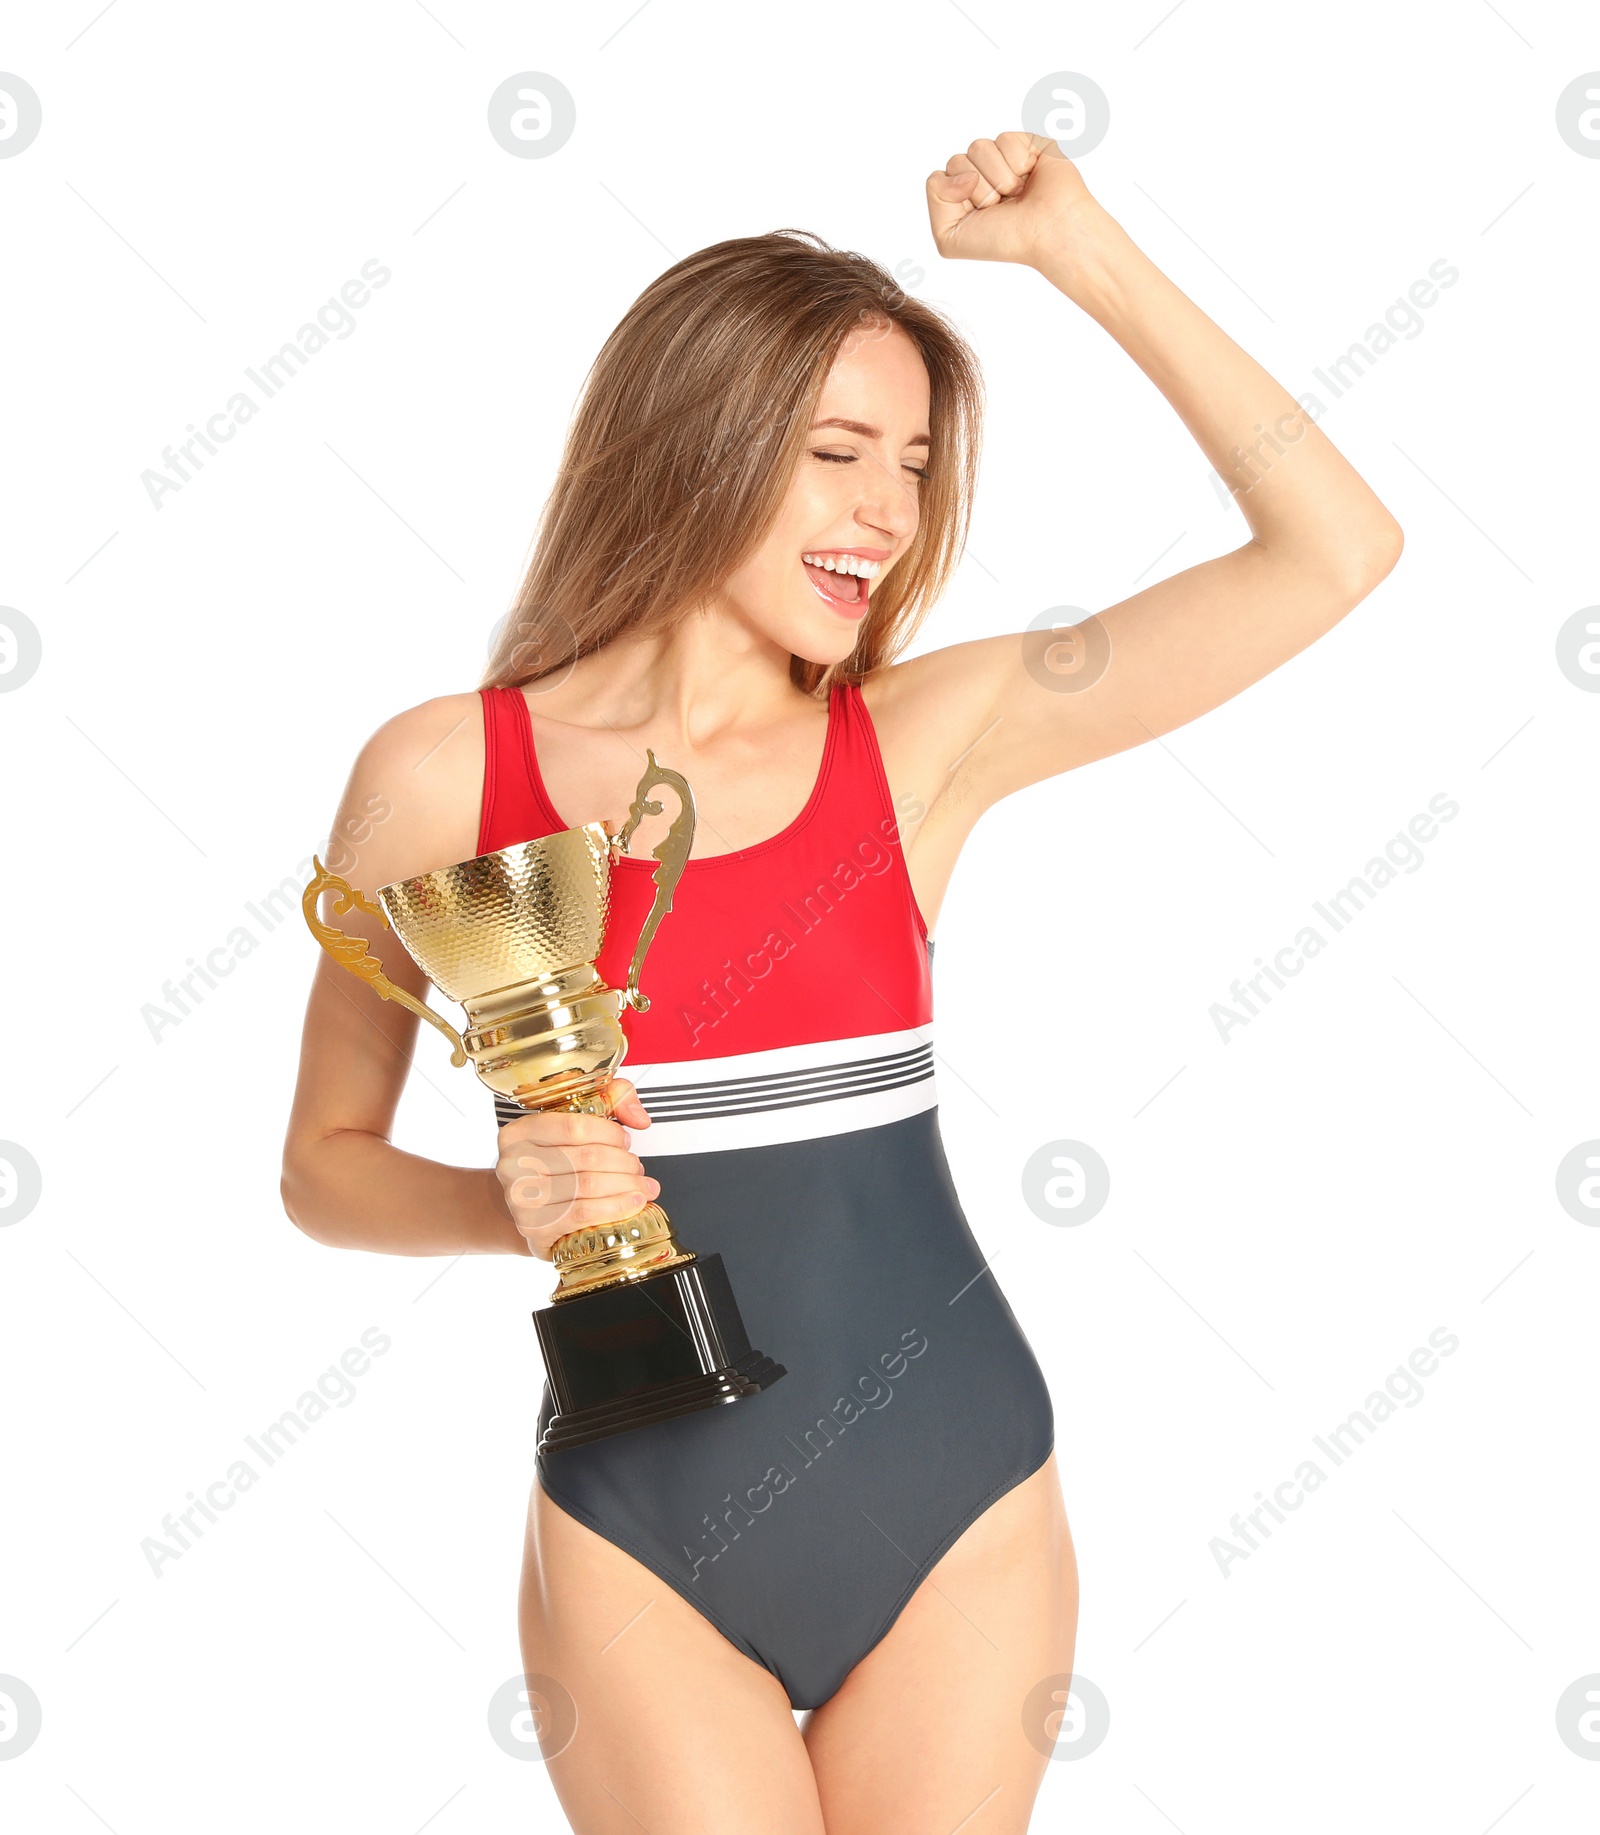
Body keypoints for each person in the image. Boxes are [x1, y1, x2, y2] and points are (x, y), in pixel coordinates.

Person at [282, 131, 1402, 1833]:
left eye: (918, 463)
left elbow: (1336, 550)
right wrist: (501, 1206)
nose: (891, 511)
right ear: (696, 441)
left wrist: (1083, 252)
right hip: (643, 1522)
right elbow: (320, 1170)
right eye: (837, 452)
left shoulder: (922, 746)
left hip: (956, 1501)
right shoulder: (445, 775)